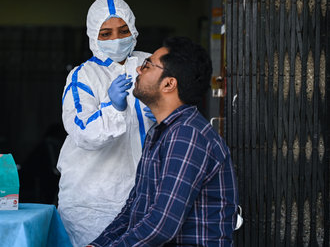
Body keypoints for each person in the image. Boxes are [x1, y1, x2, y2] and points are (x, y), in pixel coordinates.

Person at [88, 36, 240, 246]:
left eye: (148, 65)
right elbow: (133, 209)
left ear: (169, 84)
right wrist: (97, 244)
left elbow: (161, 225)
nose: (139, 70)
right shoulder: (160, 133)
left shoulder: (187, 134)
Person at [57, 0, 156, 247]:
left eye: (123, 31)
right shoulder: (84, 76)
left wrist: (163, 116)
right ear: (93, 36)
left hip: (145, 198)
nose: (117, 39)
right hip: (93, 203)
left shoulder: (151, 66)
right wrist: (112, 108)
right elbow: (81, 133)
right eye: (106, 34)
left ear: (133, 29)